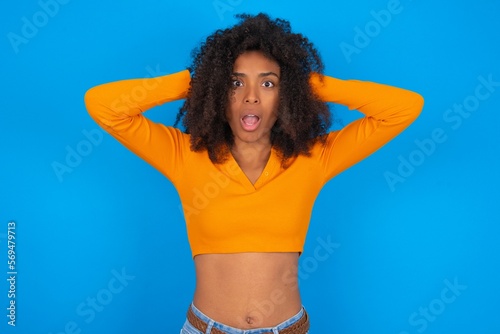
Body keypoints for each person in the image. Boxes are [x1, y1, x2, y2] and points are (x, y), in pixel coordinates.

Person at [85, 13, 423, 334]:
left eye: (268, 84)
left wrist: (309, 86)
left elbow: (404, 109)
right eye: (235, 82)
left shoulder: (314, 158)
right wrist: (195, 82)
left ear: (285, 96)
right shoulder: (184, 155)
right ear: (219, 93)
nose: (251, 97)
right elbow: (103, 105)